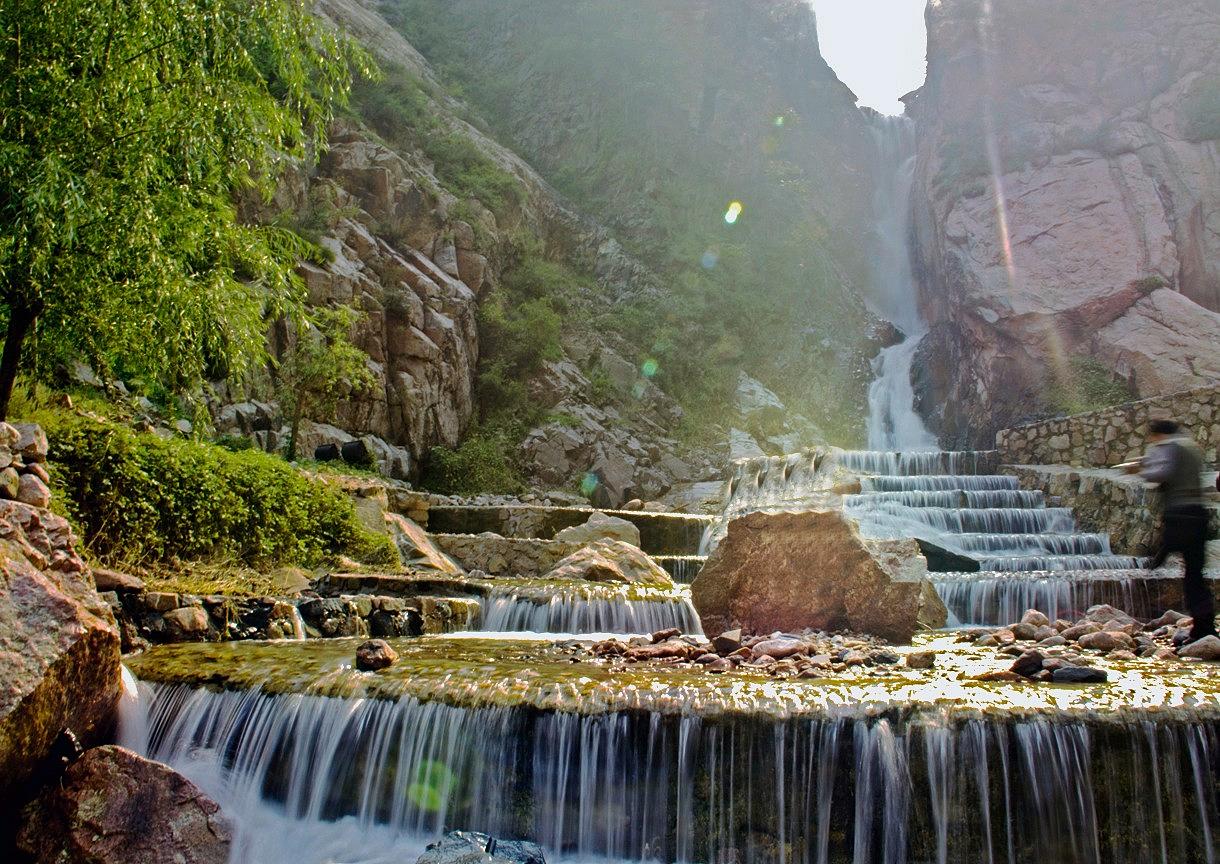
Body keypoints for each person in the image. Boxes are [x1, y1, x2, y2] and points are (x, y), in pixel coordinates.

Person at [1128, 419, 1215, 643]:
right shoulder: (1191, 447)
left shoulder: (1170, 447)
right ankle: (1204, 627)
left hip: (1179, 515)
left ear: (1158, 434)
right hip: (1198, 515)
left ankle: (1142, 576)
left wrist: (1140, 469)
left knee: (1162, 559)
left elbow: (1161, 472)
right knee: (1195, 574)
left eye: (1152, 436)